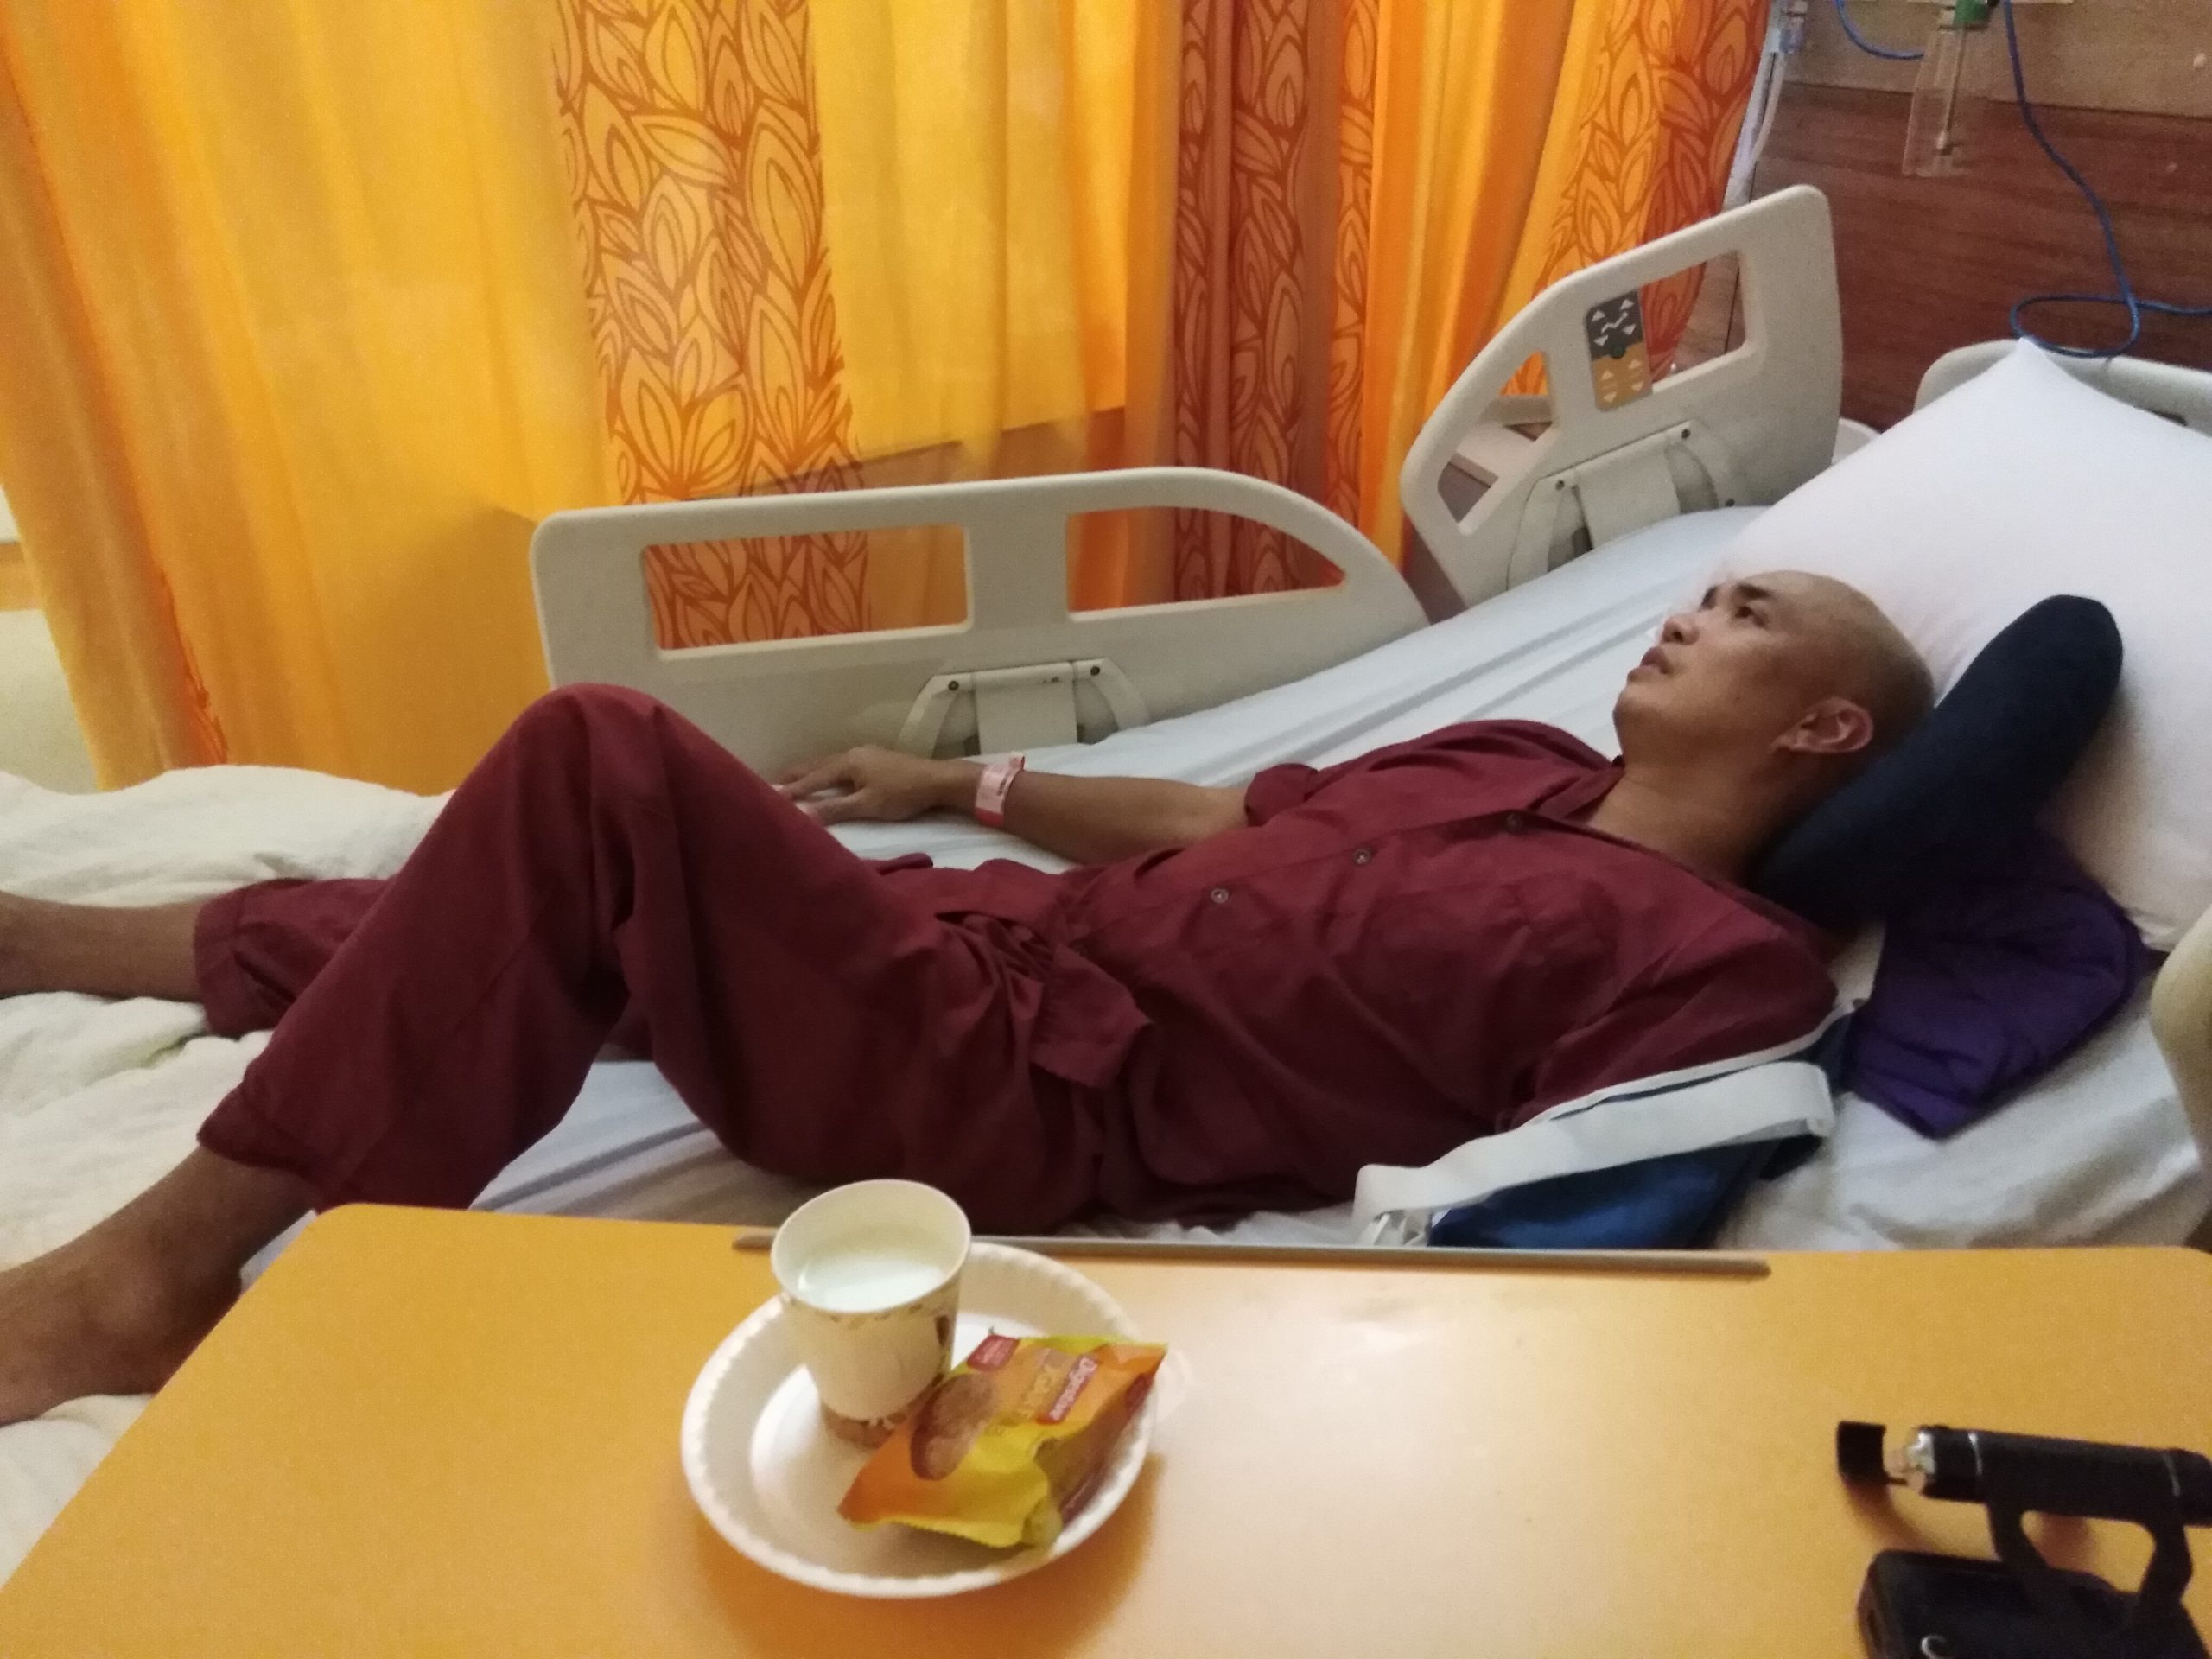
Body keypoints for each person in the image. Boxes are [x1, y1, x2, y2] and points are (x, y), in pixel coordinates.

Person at [0, 572, 1932, 1422]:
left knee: (598, 763)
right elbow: (1216, 814)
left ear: (1826, 729)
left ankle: (145, 1277)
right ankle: (61, 946)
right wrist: (961, 783)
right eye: (1706, 592)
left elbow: (1581, 1230)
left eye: (1745, 616)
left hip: (1023, 1087)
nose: (1686, 611)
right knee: (542, 895)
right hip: (984, 943)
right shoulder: (1509, 753)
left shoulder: (1724, 971)